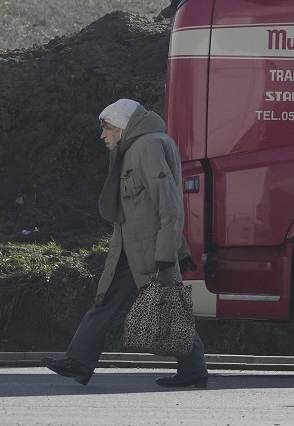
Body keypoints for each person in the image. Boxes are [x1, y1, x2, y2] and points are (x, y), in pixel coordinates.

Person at [42, 99, 208, 388]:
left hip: (151, 251)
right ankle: (78, 361)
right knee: (106, 300)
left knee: (169, 308)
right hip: (130, 248)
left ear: (122, 126)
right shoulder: (135, 148)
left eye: (107, 129)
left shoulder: (147, 146)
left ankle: (194, 369)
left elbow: (169, 204)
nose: (102, 135)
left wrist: (168, 252)